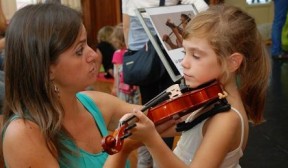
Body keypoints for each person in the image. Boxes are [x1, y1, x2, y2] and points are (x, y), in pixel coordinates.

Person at [123, 4, 271, 168]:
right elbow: (187, 131)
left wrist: (151, 140)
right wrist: (149, 128)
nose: (184, 63)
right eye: (184, 52)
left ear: (232, 62)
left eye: (196, 56)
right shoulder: (209, 99)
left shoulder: (227, 119)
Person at [0, 3, 146, 167]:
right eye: (79, 50)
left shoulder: (93, 102)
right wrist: (123, 151)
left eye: (87, 44)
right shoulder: (22, 133)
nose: (92, 55)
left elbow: (158, 118)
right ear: (47, 69)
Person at [122, 0, 208, 167]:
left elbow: (127, 25)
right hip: (166, 42)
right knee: (169, 110)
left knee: (148, 110)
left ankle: (144, 161)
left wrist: (135, 53)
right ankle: (160, 160)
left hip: (142, 46)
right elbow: (201, 7)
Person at [111, 23, 140, 104]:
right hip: (135, 85)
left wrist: (115, 87)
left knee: (123, 106)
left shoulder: (117, 53)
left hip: (122, 87)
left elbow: (117, 73)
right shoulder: (133, 52)